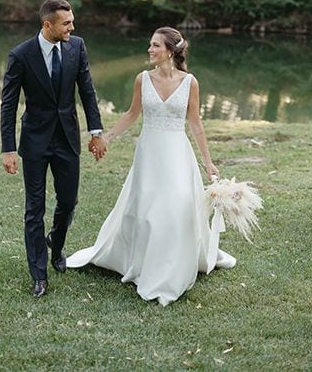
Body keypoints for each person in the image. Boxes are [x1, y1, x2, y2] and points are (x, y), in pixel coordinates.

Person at [67, 26, 236, 306]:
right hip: (150, 152)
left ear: (170, 51)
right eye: (150, 45)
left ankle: (171, 266)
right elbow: (133, 114)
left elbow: (195, 124)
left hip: (177, 154)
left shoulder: (190, 82)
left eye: (155, 45)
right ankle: (143, 261)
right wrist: (106, 137)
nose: (150, 50)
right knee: (147, 209)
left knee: (175, 207)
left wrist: (208, 163)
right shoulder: (142, 79)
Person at [0, 0, 107, 298]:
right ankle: (39, 275)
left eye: (72, 21)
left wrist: (96, 131)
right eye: (66, 23)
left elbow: (87, 90)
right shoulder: (21, 55)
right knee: (34, 209)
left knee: (68, 202)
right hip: (34, 141)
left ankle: (56, 246)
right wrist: (8, 148)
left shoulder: (77, 47)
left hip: (67, 138)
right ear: (47, 25)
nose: (72, 27)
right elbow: (8, 106)